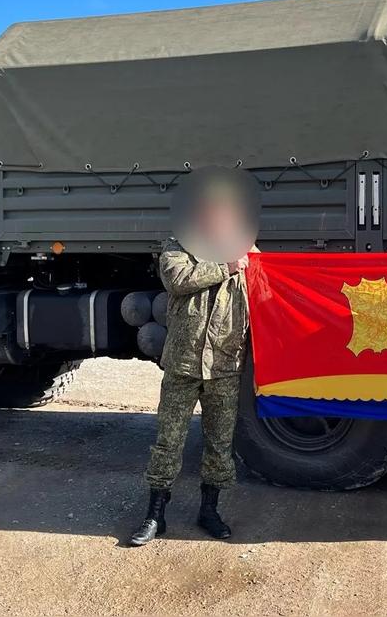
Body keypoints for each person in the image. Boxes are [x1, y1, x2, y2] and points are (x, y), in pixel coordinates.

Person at [129, 187, 256, 547]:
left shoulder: (248, 254)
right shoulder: (177, 247)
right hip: (183, 364)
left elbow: (271, 288)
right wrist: (227, 267)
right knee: (168, 441)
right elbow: (178, 281)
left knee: (219, 445)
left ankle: (209, 511)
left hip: (224, 365)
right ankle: (155, 515)